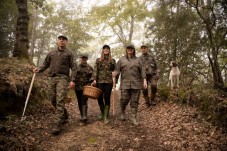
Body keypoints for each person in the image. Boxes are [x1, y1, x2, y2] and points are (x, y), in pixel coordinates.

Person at [33, 35, 77, 135]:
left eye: (64, 40)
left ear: (66, 42)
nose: (62, 41)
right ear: (57, 41)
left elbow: (74, 67)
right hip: (52, 78)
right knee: (53, 99)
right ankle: (64, 114)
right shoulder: (51, 53)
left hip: (63, 78)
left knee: (60, 99)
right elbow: (45, 65)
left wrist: (72, 80)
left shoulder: (69, 53)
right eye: (60, 39)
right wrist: (38, 69)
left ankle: (57, 124)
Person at [114, 44, 147, 126]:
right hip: (125, 83)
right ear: (126, 49)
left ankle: (133, 117)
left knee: (135, 101)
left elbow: (142, 71)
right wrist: (115, 79)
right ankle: (122, 112)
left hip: (136, 83)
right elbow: (117, 70)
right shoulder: (121, 60)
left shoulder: (138, 60)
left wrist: (145, 80)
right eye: (128, 48)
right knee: (124, 99)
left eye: (131, 48)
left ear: (133, 50)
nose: (130, 49)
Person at [92, 45, 116, 124]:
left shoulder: (112, 60)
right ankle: (102, 113)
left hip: (109, 82)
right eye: (104, 49)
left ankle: (106, 116)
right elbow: (95, 70)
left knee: (107, 98)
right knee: (99, 98)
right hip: (100, 81)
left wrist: (115, 75)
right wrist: (94, 79)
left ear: (109, 51)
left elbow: (115, 71)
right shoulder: (98, 60)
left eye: (107, 49)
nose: (106, 50)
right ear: (102, 50)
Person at [74, 53, 93, 126]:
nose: (83, 59)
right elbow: (73, 76)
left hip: (86, 87)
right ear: (80, 59)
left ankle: (84, 117)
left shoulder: (90, 67)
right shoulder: (76, 67)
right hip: (77, 87)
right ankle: (82, 115)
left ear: (87, 59)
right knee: (79, 101)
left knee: (84, 100)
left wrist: (92, 81)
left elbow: (92, 77)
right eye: (82, 58)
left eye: (85, 58)